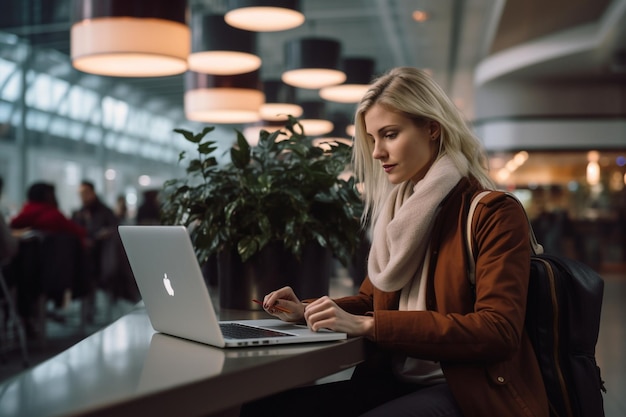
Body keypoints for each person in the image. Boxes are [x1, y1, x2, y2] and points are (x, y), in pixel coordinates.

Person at [240, 67, 549, 417]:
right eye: (372, 139)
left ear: (433, 128)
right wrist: (307, 310)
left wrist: (370, 325)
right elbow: (371, 300)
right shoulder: (400, 210)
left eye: (389, 135)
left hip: (467, 390)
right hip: (396, 379)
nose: (376, 153)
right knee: (262, 409)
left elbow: (497, 330)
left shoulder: (492, 212)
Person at [10, 182, 86, 240]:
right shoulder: (54, 216)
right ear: (48, 197)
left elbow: (11, 226)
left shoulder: (26, 214)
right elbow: (78, 232)